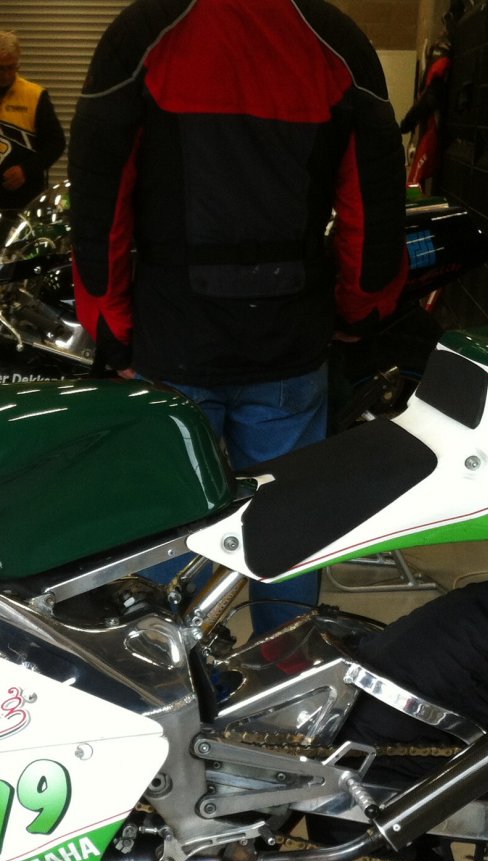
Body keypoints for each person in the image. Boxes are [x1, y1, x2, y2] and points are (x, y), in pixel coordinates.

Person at [70, 0, 407, 635]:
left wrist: (110, 325)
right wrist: (362, 309)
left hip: (175, 340)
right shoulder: (337, 40)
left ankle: (180, 673)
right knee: (288, 518)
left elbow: (98, 197)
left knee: (176, 526)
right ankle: (287, 663)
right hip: (289, 340)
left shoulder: (143, 33)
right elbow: (376, 203)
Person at [0, 30, 65, 213]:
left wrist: (26, 170)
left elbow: (56, 143)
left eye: (12, 67)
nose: (6, 75)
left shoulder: (35, 95)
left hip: (25, 200)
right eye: (0, 68)